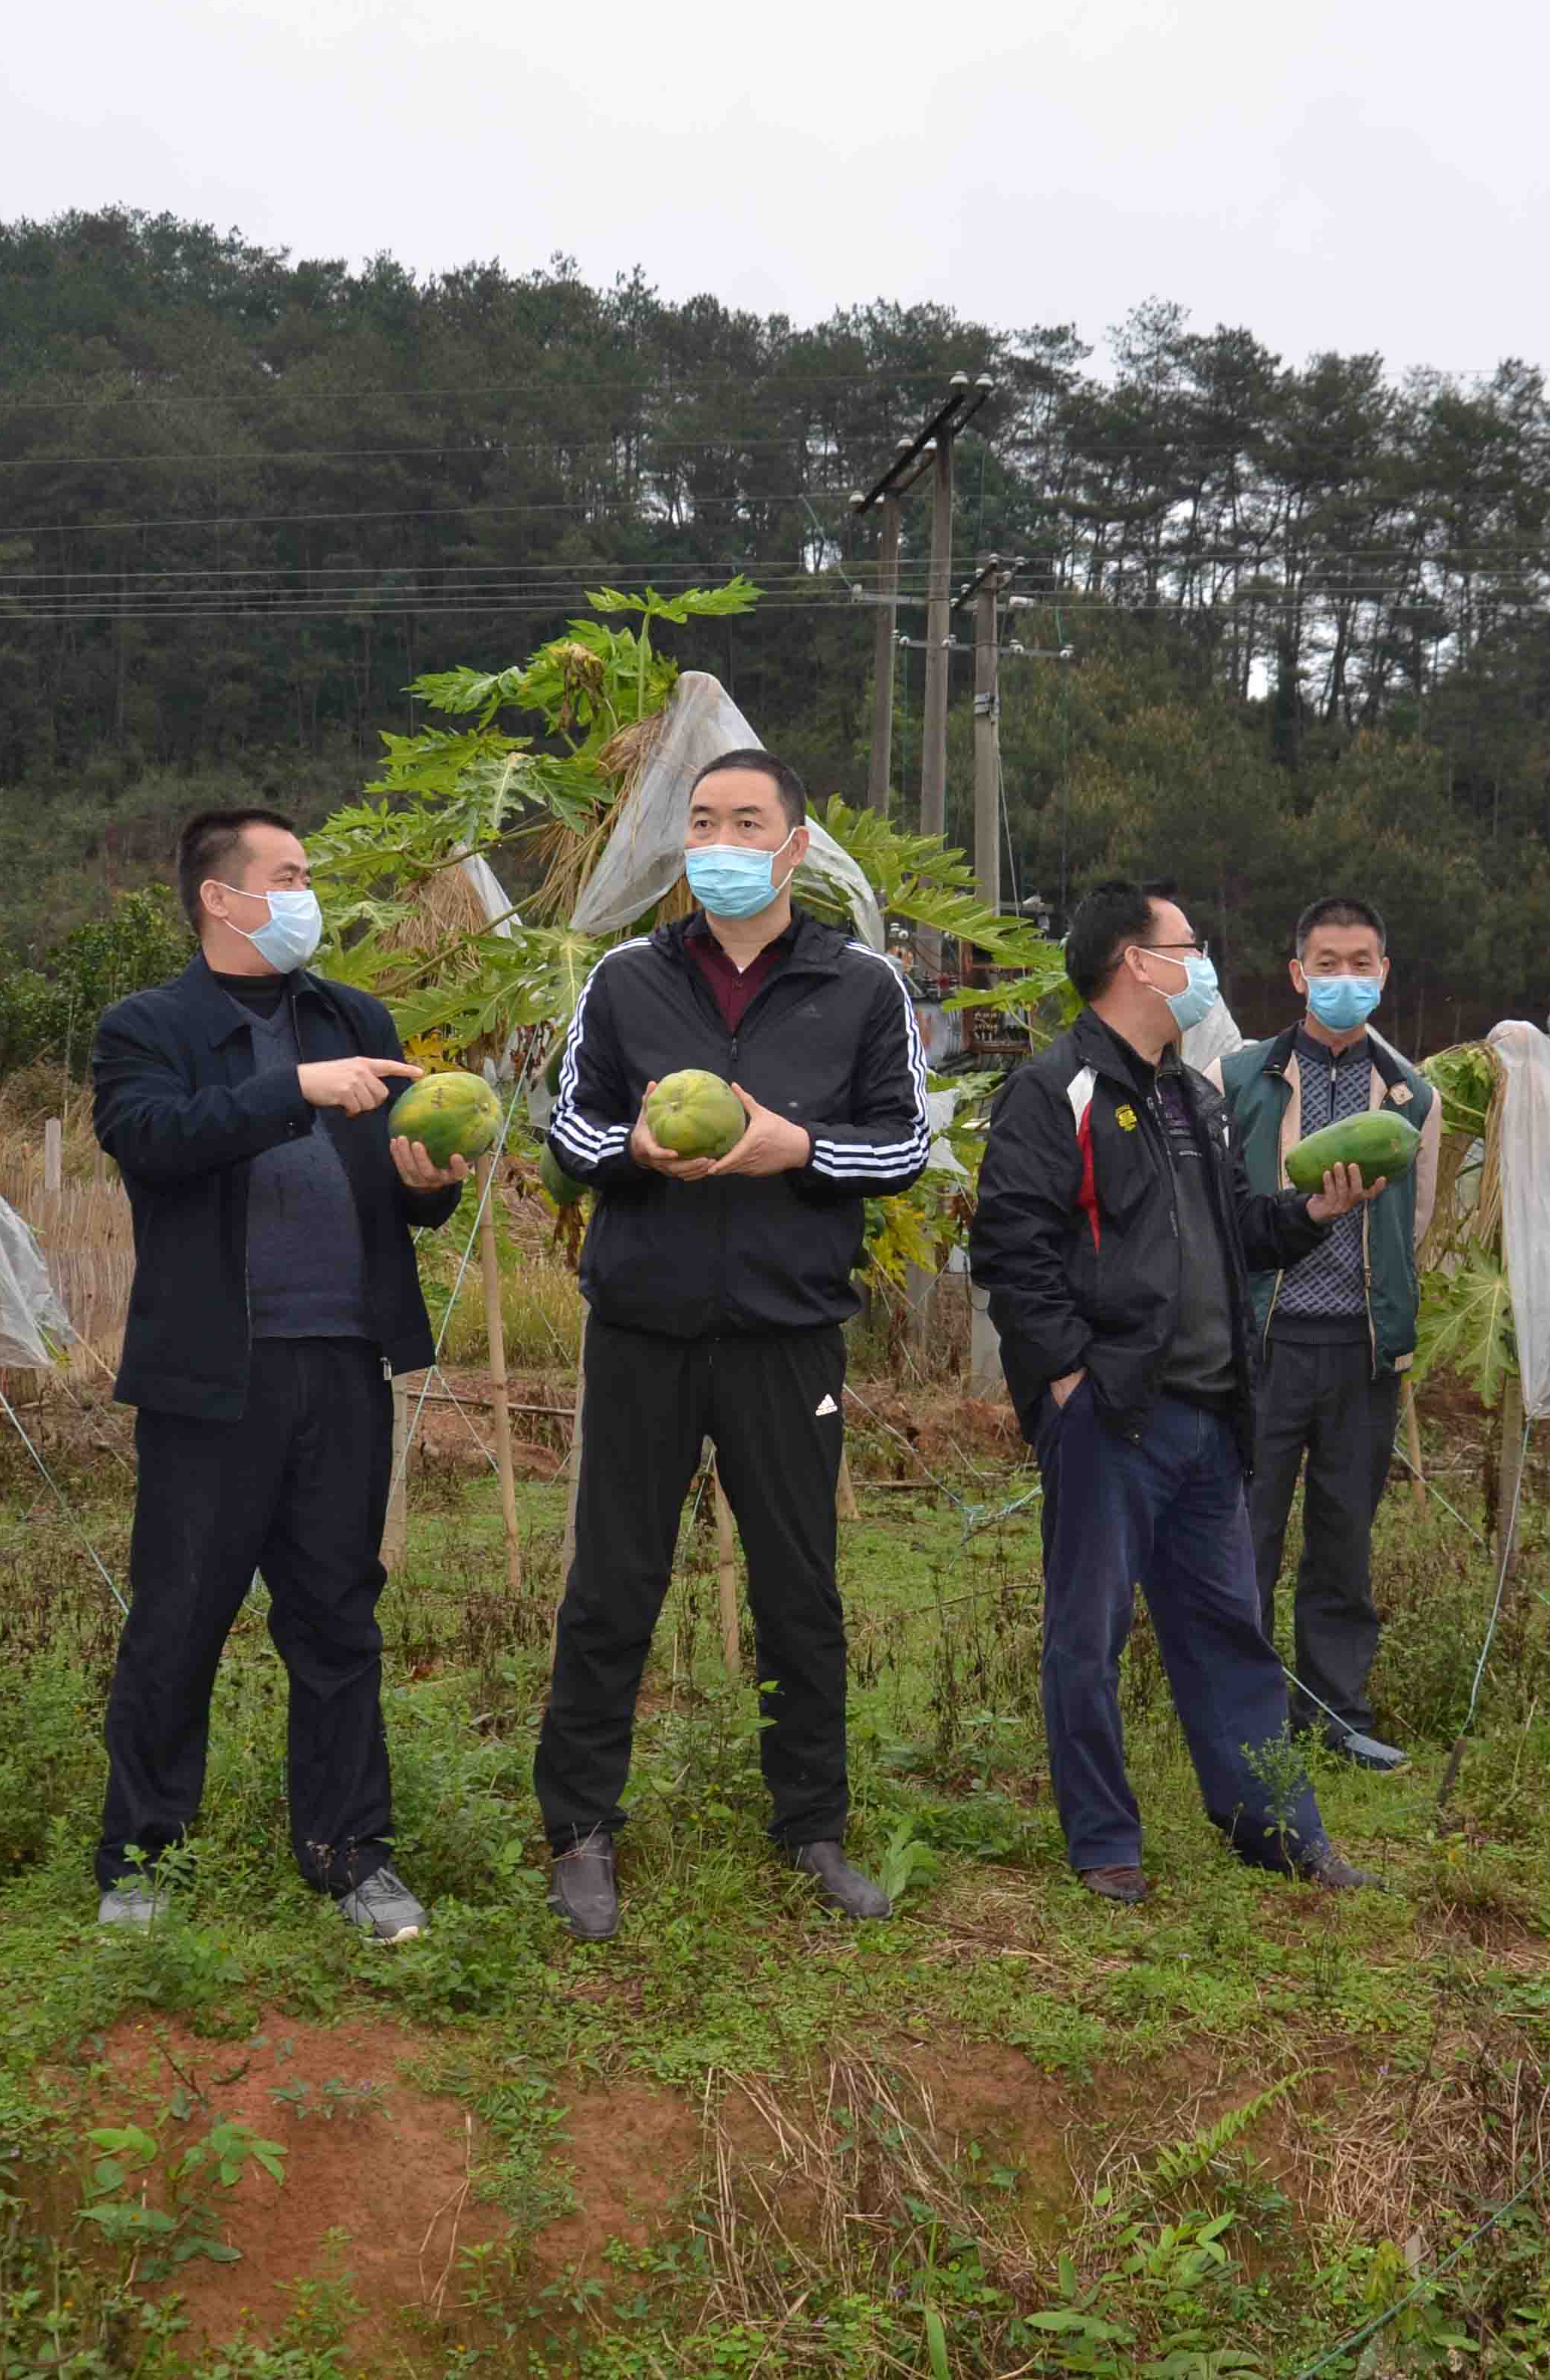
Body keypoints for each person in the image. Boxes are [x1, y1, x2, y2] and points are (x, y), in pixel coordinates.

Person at [534, 748, 933, 1940]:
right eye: (700, 820)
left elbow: (905, 1145)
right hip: (644, 1327)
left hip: (788, 1333)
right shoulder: (624, 978)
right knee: (613, 1582)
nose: (718, 839)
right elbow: (568, 1125)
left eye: (744, 819)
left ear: (793, 846)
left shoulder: (865, 986)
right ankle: (580, 1828)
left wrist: (795, 1150)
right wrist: (632, 1153)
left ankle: (812, 1826)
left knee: (799, 1587)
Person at [88, 808, 469, 1943]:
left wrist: (428, 1178)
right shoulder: (147, 1026)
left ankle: (351, 1851)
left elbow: (405, 1196)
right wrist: (295, 1089)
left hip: (343, 1365)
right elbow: (153, 1139)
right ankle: (144, 1855)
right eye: (292, 874)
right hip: (214, 1376)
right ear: (222, 896)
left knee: (338, 1616)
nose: (310, 893)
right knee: (180, 1617)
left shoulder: (353, 1015)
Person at [972, 882, 1384, 1903]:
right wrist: (1069, 1377)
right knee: (1090, 1633)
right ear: (1132, 961)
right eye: (1186, 947)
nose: (1199, 964)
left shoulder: (1189, 1096)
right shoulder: (1052, 1089)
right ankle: (1106, 1845)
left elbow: (1236, 1228)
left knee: (1228, 1633)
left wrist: (1310, 1216)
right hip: (1112, 1413)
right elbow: (1011, 1251)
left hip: (1207, 1416)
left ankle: (1278, 1832)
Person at [1219, 895, 1441, 1772]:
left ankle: (1333, 1711)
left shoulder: (1410, 1092)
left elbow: (1413, 1223)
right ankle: (1242, 1709)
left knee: (1344, 1536)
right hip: (1266, 1340)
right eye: (1326, 960)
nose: (1343, 977)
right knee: (1248, 1532)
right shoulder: (1244, 1078)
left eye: (1360, 962)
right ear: (1296, 972)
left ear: (1383, 973)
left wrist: (1389, 1307)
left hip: (1360, 1347)